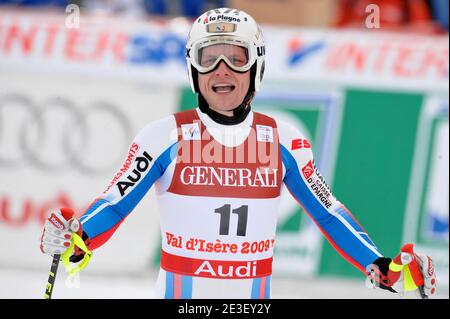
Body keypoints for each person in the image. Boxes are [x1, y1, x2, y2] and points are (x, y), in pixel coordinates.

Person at [40, 7, 437, 299]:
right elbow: (113, 205)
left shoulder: (284, 138)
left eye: (237, 57)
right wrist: (75, 238)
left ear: (256, 68)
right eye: (208, 59)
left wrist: (383, 267)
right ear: (193, 71)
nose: (222, 70)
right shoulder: (163, 137)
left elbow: (328, 213)